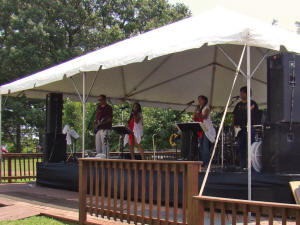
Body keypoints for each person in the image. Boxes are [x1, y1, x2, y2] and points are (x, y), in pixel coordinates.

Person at [233, 86, 260, 170]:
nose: (240, 94)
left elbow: (255, 117)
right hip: (240, 129)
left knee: (250, 147)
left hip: (249, 128)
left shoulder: (253, 104)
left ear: (246, 93)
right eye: (240, 93)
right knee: (241, 147)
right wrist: (235, 124)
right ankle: (243, 165)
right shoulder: (238, 105)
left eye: (242, 93)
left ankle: (251, 166)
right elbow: (234, 115)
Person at [193, 95, 216, 166]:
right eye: (198, 99)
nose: (199, 101)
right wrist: (196, 114)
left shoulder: (207, 107)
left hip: (207, 129)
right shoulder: (198, 108)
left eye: (200, 99)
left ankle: (207, 163)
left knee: (205, 146)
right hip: (200, 128)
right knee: (201, 146)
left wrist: (197, 115)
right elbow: (194, 117)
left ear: (204, 100)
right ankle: (203, 161)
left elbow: (205, 117)